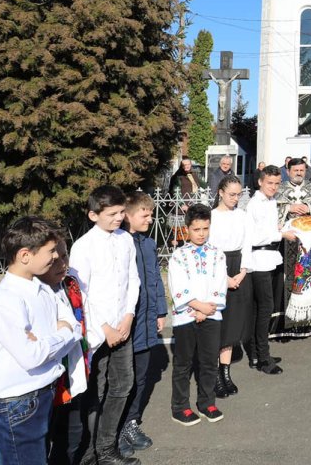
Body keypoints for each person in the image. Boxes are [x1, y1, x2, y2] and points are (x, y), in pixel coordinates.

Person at [0, 217, 82, 465]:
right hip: (16, 403)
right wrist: (61, 334)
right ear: (25, 255)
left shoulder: (43, 287)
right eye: (50, 252)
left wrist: (51, 338)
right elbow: (31, 355)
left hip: (40, 394)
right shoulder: (5, 301)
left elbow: (74, 326)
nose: (56, 257)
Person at [70, 187, 140, 465]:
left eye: (122, 212)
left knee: (123, 384)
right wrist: (105, 327)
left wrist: (128, 316)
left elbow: (132, 280)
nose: (119, 218)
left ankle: (107, 448)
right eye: (112, 214)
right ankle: (88, 454)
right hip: (96, 332)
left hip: (123, 325)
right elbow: (81, 294)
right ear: (93, 215)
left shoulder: (125, 240)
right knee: (93, 392)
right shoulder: (83, 247)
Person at [167, 203, 227, 426]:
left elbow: (219, 283)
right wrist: (197, 306)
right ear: (187, 229)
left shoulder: (217, 254)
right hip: (187, 316)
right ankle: (180, 406)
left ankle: (206, 402)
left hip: (211, 314)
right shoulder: (179, 256)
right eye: (196, 229)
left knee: (209, 361)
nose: (201, 234)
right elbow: (178, 286)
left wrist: (208, 308)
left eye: (205, 229)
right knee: (183, 363)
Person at [119, 192, 167, 459]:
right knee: (124, 379)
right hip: (130, 321)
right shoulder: (121, 244)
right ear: (128, 216)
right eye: (144, 214)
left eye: (151, 214)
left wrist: (160, 311)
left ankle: (131, 422)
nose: (150, 218)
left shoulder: (148, 244)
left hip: (148, 320)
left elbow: (156, 280)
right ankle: (117, 427)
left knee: (142, 375)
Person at [42, 238, 90, 465]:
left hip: (73, 375)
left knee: (72, 434)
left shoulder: (70, 284)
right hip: (48, 383)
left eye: (64, 257)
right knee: (43, 438)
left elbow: (80, 324)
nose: (62, 263)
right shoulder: (37, 292)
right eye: (55, 259)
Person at [207, 176, 249, 398]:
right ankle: (214, 374)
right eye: (231, 194)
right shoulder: (212, 217)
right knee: (218, 325)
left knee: (232, 325)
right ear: (221, 192)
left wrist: (242, 272)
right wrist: (225, 278)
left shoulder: (242, 216)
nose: (235, 198)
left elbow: (248, 245)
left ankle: (226, 372)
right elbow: (210, 250)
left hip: (238, 267)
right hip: (218, 270)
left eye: (238, 194)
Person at [275, 158, 311, 333]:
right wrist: (288, 208)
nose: (298, 173)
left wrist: (308, 207)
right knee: (288, 277)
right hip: (287, 240)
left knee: (309, 275)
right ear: (288, 171)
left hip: (310, 240)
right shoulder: (279, 189)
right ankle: (287, 322)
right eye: (295, 170)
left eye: (301, 170)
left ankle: (309, 320)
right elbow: (272, 207)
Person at [245, 166, 284, 374]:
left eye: (277, 183)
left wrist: (278, 230)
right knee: (264, 309)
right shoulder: (254, 204)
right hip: (259, 259)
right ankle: (262, 357)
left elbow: (269, 229)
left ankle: (257, 353)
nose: (273, 187)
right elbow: (253, 237)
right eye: (270, 183)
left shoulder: (271, 202)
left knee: (262, 308)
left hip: (270, 258)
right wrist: (279, 235)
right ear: (260, 182)